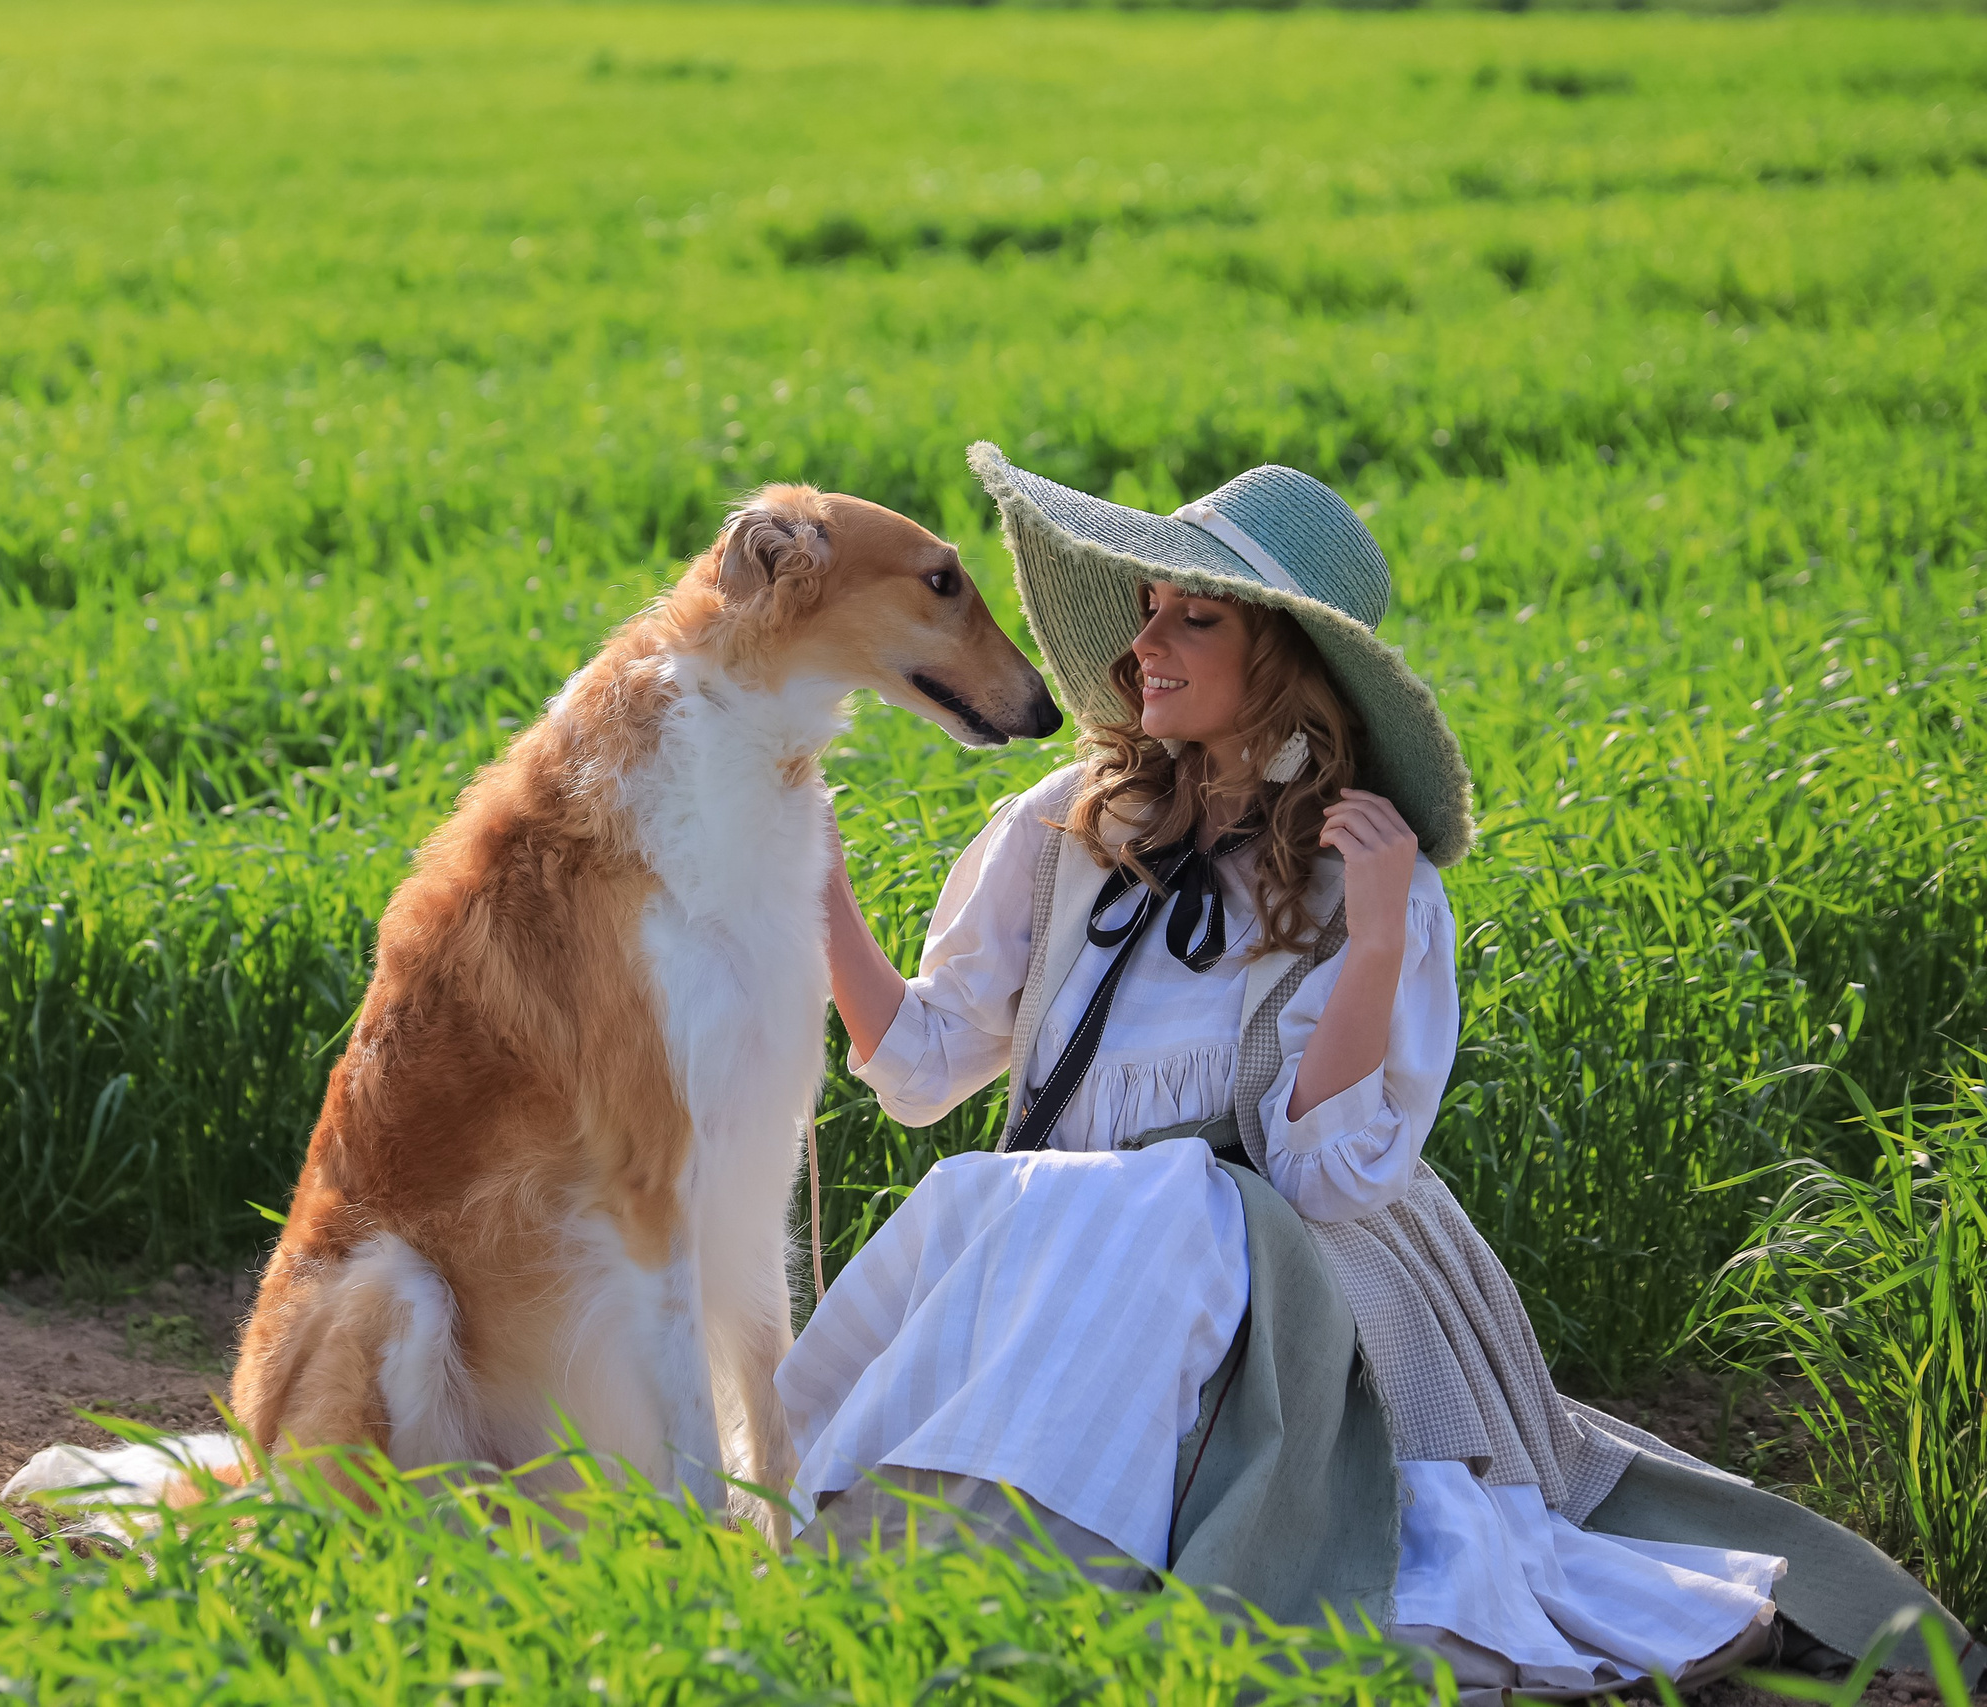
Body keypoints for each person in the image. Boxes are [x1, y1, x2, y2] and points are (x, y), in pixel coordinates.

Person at [777, 443, 1979, 1697]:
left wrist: (1383, 935)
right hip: (1061, 1236)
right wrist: (822, 895)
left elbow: (1326, 1173)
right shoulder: (1062, 826)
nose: (1145, 648)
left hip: (1280, 1252)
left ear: (1288, 665)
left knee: (1142, 1198)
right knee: (985, 1189)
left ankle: (1014, 1575)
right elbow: (919, 1069)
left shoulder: (1368, 871)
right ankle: (891, 1555)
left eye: (1196, 617)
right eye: (1145, 612)